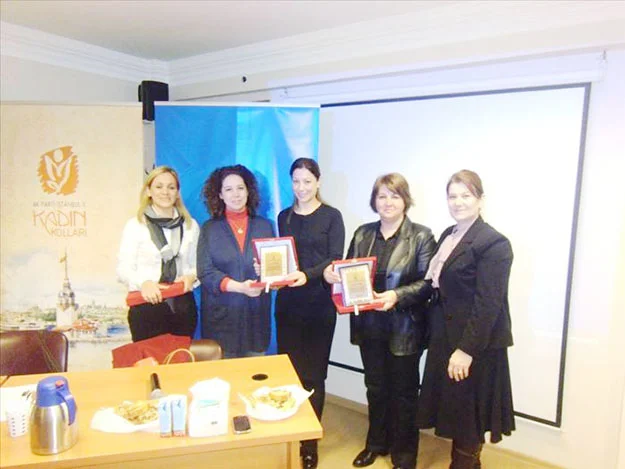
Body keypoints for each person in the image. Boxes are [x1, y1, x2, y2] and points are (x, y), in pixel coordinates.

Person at [324, 173, 435, 469]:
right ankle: (376, 443)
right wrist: (333, 277)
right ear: (374, 201)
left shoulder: (421, 236)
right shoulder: (363, 234)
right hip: (370, 326)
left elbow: (428, 284)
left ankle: (404, 454)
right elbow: (348, 273)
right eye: (382, 196)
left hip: (405, 328)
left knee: (404, 393)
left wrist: (396, 295)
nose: (388, 202)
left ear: (405, 200)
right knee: (375, 387)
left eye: (394, 196)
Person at [417, 169, 515, 469]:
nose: (458, 202)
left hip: (474, 344)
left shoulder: (494, 243)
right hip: (446, 336)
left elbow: (489, 304)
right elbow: (435, 284)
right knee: (456, 411)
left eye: (466, 195)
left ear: (480, 199)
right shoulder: (449, 234)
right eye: (452, 196)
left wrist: (466, 350)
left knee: (468, 416)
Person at [275, 158, 345, 469]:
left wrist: (308, 275)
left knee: (314, 375)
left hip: (319, 305)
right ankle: (291, 432)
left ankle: (309, 443)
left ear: (318, 181)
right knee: (289, 373)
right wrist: (267, 268)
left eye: (307, 181)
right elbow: (281, 258)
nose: (301, 187)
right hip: (288, 304)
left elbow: (335, 257)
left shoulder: (332, 216)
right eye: (296, 181)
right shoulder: (284, 216)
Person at [197, 165, 274, 358]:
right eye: (228, 189)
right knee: (224, 375)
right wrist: (239, 287)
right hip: (222, 321)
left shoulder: (264, 226)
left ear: (248, 191)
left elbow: (275, 268)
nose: (236, 194)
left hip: (256, 319)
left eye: (240, 188)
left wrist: (266, 272)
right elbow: (205, 272)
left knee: (255, 374)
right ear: (220, 195)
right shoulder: (209, 229)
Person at [117, 166, 200, 342]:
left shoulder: (190, 225)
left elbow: (197, 265)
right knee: (151, 359)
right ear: (149, 191)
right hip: (147, 306)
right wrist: (143, 283)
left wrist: (191, 276)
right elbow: (123, 268)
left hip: (182, 306)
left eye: (171, 187)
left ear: (177, 193)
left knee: (181, 357)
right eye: (159, 186)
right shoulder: (136, 225)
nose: (165, 192)